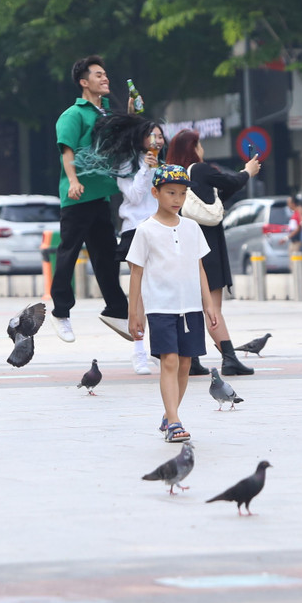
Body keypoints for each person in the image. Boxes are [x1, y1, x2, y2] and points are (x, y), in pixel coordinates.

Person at [126, 164, 224, 444]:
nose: (177, 199)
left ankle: (170, 414)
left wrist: (209, 306)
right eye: (171, 192)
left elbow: (200, 268)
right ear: (155, 192)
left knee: (184, 365)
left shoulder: (192, 227)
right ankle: (175, 422)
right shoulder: (145, 230)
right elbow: (136, 273)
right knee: (169, 361)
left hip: (190, 307)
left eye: (182, 193)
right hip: (161, 308)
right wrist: (134, 314)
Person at [166, 129, 259, 376]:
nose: (202, 150)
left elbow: (219, 196)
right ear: (193, 148)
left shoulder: (175, 178)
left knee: (194, 306)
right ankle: (229, 358)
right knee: (212, 308)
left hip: (185, 248)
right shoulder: (200, 169)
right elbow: (231, 182)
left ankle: (193, 360)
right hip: (208, 248)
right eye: (199, 145)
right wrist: (247, 171)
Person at [51, 55, 130, 343]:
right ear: (84, 82)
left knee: (106, 256)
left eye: (105, 74)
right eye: (98, 75)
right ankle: (61, 312)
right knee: (69, 252)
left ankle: (116, 309)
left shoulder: (106, 114)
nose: (105, 78)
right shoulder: (74, 114)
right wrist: (72, 181)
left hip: (101, 195)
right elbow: (67, 151)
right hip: (78, 196)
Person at [106, 116, 167, 375]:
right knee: (139, 292)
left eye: (160, 136)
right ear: (141, 139)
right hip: (136, 230)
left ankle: (161, 348)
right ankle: (138, 351)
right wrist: (146, 169)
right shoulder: (125, 165)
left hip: (161, 230)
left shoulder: (164, 166)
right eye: (152, 135)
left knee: (161, 292)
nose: (157, 140)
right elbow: (133, 196)